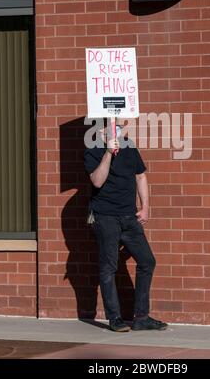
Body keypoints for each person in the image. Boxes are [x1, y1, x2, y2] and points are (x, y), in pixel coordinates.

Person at [84, 119, 168, 332]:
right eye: (112, 126)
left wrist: (145, 206)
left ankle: (141, 317)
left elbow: (140, 176)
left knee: (147, 261)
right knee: (109, 267)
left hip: (129, 216)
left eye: (118, 126)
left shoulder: (130, 147)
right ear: (101, 130)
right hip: (105, 217)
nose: (117, 129)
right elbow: (97, 181)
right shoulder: (93, 149)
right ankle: (115, 319)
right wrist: (108, 153)